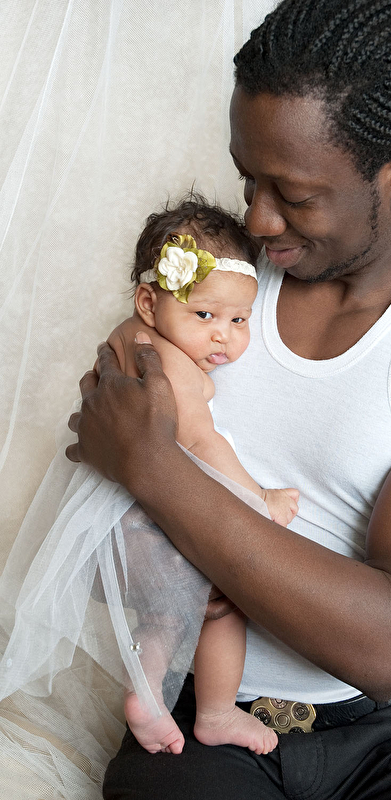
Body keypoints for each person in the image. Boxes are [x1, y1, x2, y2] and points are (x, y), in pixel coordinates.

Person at [67, 1, 391, 797]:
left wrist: (155, 469)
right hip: (206, 711)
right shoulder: (220, 282)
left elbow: (389, 643)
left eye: (293, 194)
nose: (256, 217)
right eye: (247, 179)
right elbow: (101, 456)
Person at [0, 199, 297, 759]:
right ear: (148, 301)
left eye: (238, 321)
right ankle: (216, 712)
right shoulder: (170, 364)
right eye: (205, 315)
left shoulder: (129, 338)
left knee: (168, 611)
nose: (223, 337)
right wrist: (260, 499)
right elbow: (200, 442)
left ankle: (147, 692)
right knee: (227, 604)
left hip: (117, 517)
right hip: (151, 513)